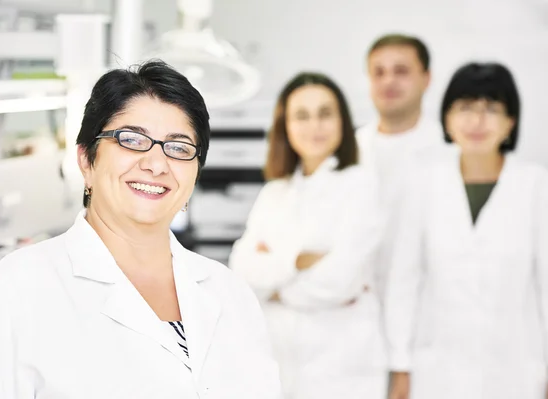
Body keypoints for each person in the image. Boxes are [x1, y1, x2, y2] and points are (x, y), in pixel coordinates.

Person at [0, 60, 283, 399]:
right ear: (85, 160)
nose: (155, 164)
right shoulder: (18, 288)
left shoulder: (229, 292)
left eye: (179, 147)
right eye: (132, 140)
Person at [385, 62, 548, 399]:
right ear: (446, 119)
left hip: (517, 366)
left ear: (511, 122)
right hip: (437, 368)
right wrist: (400, 364)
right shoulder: (423, 181)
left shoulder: (536, 185)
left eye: (491, 108)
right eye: (465, 108)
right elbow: (404, 279)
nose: (477, 121)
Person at [228, 72, 388, 399]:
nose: (315, 126)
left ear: (342, 121)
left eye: (325, 114)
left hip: (343, 365)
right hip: (279, 362)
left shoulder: (362, 185)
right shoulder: (275, 192)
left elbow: (337, 283)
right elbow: (241, 271)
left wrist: (274, 285)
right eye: (302, 116)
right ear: (285, 125)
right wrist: (299, 261)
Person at [356, 33, 447, 300]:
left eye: (401, 71)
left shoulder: (449, 152)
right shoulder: (348, 150)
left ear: (426, 79)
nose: (388, 81)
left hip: (426, 304)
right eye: (378, 72)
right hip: (357, 306)